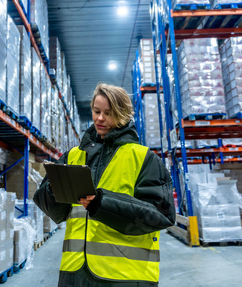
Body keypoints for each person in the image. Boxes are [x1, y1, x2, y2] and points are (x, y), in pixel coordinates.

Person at [34, 83, 176, 287]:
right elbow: (48, 205)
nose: (100, 118)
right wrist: (54, 190)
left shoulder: (144, 159)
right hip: (74, 272)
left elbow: (161, 215)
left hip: (125, 276)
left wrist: (103, 204)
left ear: (123, 114)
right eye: (96, 111)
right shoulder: (73, 156)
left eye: (108, 113)